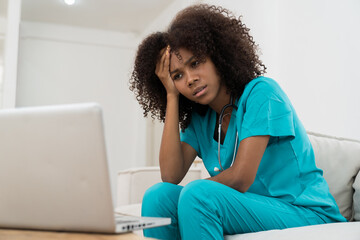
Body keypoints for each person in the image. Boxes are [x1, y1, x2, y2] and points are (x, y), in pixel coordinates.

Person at [129, 4, 346, 240]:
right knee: (158, 196)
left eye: (195, 63)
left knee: (199, 194)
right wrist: (171, 96)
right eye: (177, 76)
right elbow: (170, 176)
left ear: (218, 57)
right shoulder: (201, 119)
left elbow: (241, 177)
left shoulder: (262, 93)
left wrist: (194, 194)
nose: (190, 79)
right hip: (252, 209)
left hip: (306, 213)